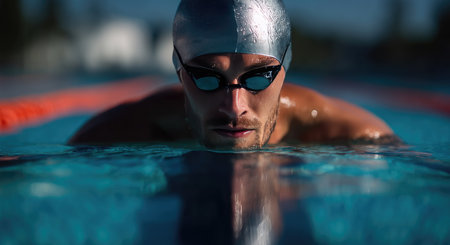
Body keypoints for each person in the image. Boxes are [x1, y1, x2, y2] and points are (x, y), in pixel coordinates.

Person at [69, 0, 398, 149]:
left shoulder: (351, 134)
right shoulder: (123, 129)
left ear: (286, 67)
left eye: (258, 77)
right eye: (208, 78)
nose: (234, 106)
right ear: (179, 70)